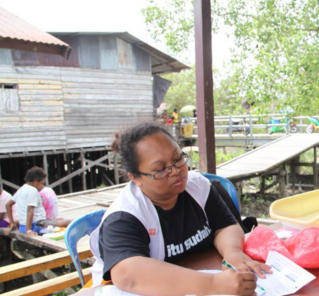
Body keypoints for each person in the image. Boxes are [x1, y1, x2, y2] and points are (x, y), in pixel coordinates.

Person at [87, 122, 270, 296]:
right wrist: (213, 284)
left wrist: (232, 252)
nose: (175, 171)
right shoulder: (125, 217)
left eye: (178, 159)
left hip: (197, 274)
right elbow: (128, 275)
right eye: (160, 169)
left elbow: (225, 225)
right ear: (135, 178)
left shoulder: (197, 186)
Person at [5, 167, 70, 236]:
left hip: (23, 226)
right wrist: (29, 230)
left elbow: (8, 205)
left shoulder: (21, 189)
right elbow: (30, 210)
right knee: (69, 222)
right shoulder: (33, 190)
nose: (42, 186)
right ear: (36, 181)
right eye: (41, 183)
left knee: (60, 219)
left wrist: (11, 223)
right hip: (36, 225)